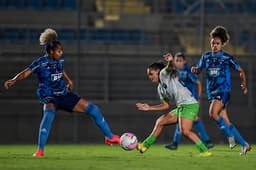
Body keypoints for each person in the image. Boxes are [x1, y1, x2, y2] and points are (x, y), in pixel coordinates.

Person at [4, 28, 120, 157]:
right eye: (59, 51)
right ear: (51, 52)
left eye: (61, 50)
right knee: (48, 117)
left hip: (63, 94)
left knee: (93, 109)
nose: (61, 53)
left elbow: (60, 69)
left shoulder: (59, 60)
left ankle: (109, 136)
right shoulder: (41, 63)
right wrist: (14, 80)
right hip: (49, 96)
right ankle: (40, 150)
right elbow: (26, 72)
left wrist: (69, 80)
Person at [136, 53, 212, 157]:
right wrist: (149, 107)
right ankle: (144, 146)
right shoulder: (160, 88)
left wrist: (171, 61)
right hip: (182, 106)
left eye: (151, 73)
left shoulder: (163, 74)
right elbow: (165, 105)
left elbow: (169, 67)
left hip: (189, 104)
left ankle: (205, 151)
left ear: (158, 71)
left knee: (185, 131)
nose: (150, 77)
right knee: (160, 122)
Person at [191, 26, 251, 156]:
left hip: (223, 91)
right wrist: (195, 69)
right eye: (213, 43)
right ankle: (245, 145)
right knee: (225, 120)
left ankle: (230, 138)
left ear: (222, 44)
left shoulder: (227, 58)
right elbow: (198, 69)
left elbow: (240, 71)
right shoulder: (206, 57)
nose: (215, 46)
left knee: (212, 113)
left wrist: (244, 84)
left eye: (217, 43)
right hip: (212, 93)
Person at [164, 52, 213, 150]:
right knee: (191, 121)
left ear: (184, 62)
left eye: (180, 61)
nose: (178, 63)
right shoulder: (176, 72)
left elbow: (198, 83)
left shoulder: (187, 73)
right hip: (184, 101)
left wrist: (198, 99)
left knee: (190, 121)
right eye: (176, 61)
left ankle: (206, 142)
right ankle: (207, 142)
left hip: (191, 101)